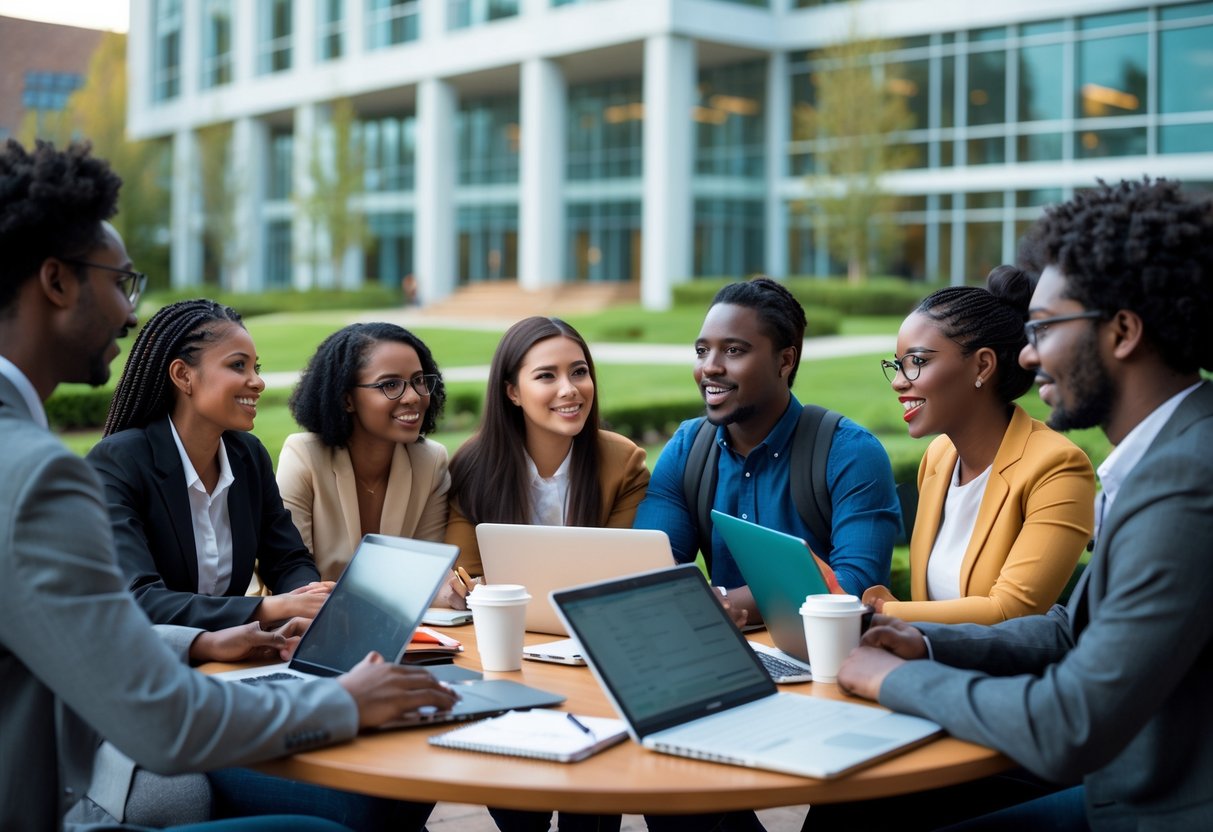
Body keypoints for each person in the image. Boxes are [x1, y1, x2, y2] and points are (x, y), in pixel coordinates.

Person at [0, 138, 457, 831]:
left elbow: (84, 634)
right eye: (120, 283)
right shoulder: (43, 473)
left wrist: (219, 637)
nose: (130, 313)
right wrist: (340, 696)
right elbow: (155, 711)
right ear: (57, 282)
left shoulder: (240, 456)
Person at [836, 178, 1213, 830]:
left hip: (1156, 806)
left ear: (1123, 331)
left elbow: (1070, 722)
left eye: (1042, 328)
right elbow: (1070, 629)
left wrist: (891, 679)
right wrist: (923, 642)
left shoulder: (1187, 478)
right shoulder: (1171, 451)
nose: (1029, 354)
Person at [445, 316, 649, 832]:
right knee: (520, 812)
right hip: (506, 661)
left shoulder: (622, 462)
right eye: (546, 376)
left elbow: (623, 578)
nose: (570, 389)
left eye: (579, 371)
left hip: (595, 661)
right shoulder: (472, 465)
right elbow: (468, 579)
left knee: (592, 814)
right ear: (512, 391)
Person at [635, 277, 900, 622]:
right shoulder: (687, 449)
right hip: (721, 649)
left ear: (785, 360)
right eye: (702, 351)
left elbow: (852, 585)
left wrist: (723, 602)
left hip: (819, 652)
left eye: (733, 350)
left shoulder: (851, 454)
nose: (710, 367)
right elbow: (651, 568)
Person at [862, 266, 1095, 625]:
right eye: (897, 365)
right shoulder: (938, 458)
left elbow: (1011, 612)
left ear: (983, 365)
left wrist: (879, 613)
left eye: (917, 362)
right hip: (928, 658)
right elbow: (932, 605)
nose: (898, 382)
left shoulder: (1058, 468)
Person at [87, 299, 332, 630]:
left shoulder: (248, 456)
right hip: (151, 657)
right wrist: (269, 608)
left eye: (256, 368)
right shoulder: (118, 462)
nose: (257, 382)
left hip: (244, 652)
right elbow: (139, 598)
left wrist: (308, 596)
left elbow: (288, 560)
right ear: (182, 375)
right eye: (238, 365)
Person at [278, 323, 451, 583]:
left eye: (418, 381)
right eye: (390, 384)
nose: (413, 397)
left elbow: (427, 573)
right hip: (313, 607)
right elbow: (290, 572)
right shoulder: (304, 456)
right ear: (347, 399)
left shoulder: (431, 461)